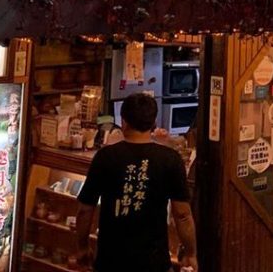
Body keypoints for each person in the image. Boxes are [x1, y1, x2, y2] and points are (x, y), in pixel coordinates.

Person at [75, 93, 197, 272]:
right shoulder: (170, 159)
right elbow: (182, 215)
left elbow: (85, 210)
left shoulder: (105, 157)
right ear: (153, 123)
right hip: (154, 263)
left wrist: (82, 247)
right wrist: (191, 253)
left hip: (110, 261)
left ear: (123, 121)